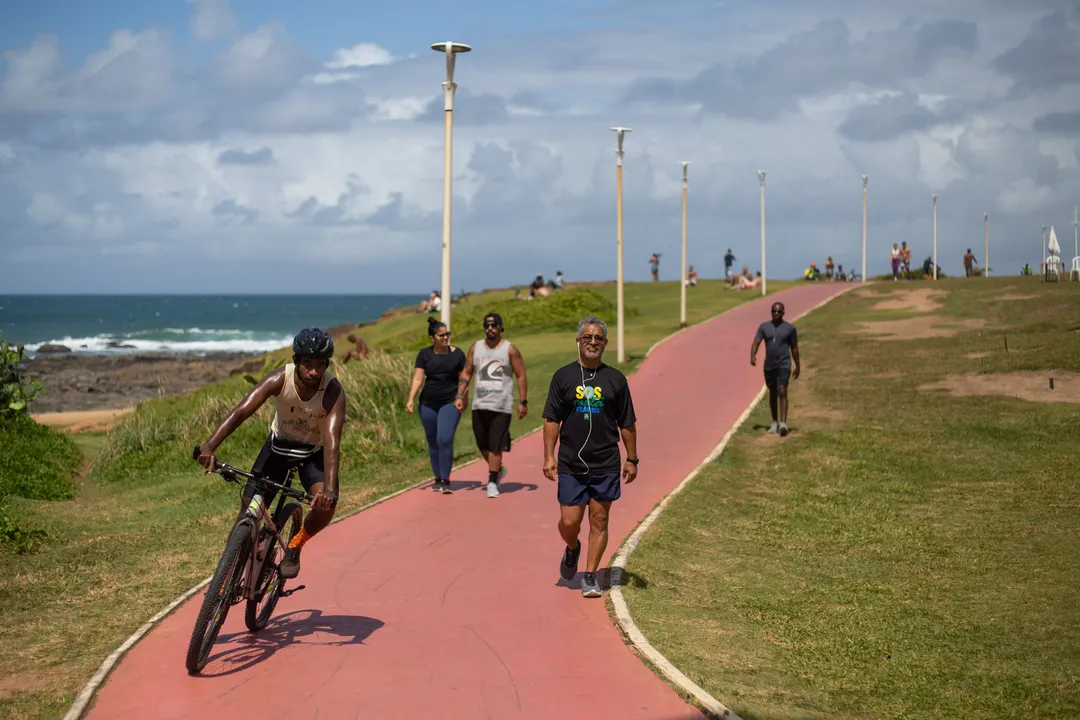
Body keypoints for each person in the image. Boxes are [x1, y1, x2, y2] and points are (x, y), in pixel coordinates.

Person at [195, 327, 345, 580]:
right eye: (308, 363)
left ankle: (296, 545)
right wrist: (210, 446)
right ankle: (227, 575)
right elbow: (240, 411)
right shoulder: (279, 379)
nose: (314, 371)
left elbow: (332, 442)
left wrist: (329, 490)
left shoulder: (332, 391)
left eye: (321, 365)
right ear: (296, 361)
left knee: (325, 506)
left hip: (313, 453)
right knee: (249, 511)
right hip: (278, 449)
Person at [542, 315, 638, 598]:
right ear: (578, 341)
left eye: (598, 338)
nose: (593, 342)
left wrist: (632, 458)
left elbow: (627, 423)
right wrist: (549, 456)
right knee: (570, 522)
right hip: (571, 463)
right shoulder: (563, 377)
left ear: (605, 343)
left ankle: (590, 575)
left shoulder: (615, 379)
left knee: (599, 521)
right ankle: (572, 547)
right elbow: (551, 420)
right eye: (588, 337)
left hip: (605, 462)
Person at [454, 312, 528, 498]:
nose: (490, 329)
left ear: (501, 328)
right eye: (487, 326)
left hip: (501, 405)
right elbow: (467, 372)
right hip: (479, 404)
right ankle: (498, 469)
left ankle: (492, 481)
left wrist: (523, 401)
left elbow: (520, 375)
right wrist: (459, 395)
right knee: (482, 444)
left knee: (495, 445)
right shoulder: (476, 348)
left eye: (494, 325)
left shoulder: (510, 349)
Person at [407, 317, 466, 493]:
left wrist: (461, 397)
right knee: (433, 440)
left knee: (444, 438)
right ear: (432, 338)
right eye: (441, 336)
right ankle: (438, 477)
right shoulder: (424, 355)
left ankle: (446, 479)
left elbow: (463, 379)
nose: (445, 338)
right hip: (427, 403)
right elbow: (418, 378)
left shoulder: (457, 354)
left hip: (450, 402)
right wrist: (410, 399)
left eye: (447, 334)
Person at [750, 302, 800, 437]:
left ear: (783, 313)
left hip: (784, 363)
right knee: (772, 392)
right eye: (774, 311)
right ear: (771, 312)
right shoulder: (764, 327)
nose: (776, 314)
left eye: (778, 312)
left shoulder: (790, 328)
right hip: (769, 365)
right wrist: (753, 355)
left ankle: (783, 423)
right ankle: (774, 422)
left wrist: (797, 364)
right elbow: (756, 342)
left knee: (782, 391)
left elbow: (794, 348)